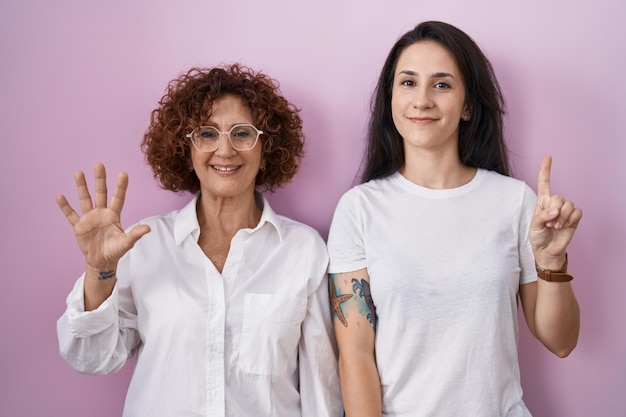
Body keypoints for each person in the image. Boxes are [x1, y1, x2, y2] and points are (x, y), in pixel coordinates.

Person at [56, 64, 342, 417]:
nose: (224, 149)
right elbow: (92, 358)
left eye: (242, 133)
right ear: (185, 149)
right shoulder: (144, 245)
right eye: (207, 134)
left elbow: (322, 388)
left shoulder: (303, 250)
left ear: (266, 148)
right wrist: (99, 271)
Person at [327, 21, 582, 417]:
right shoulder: (359, 209)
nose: (422, 100)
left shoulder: (514, 202)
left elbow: (561, 341)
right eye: (408, 83)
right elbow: (356, 355)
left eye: (442, 85)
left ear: (467, 106)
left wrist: (552, 263)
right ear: (390, 98)